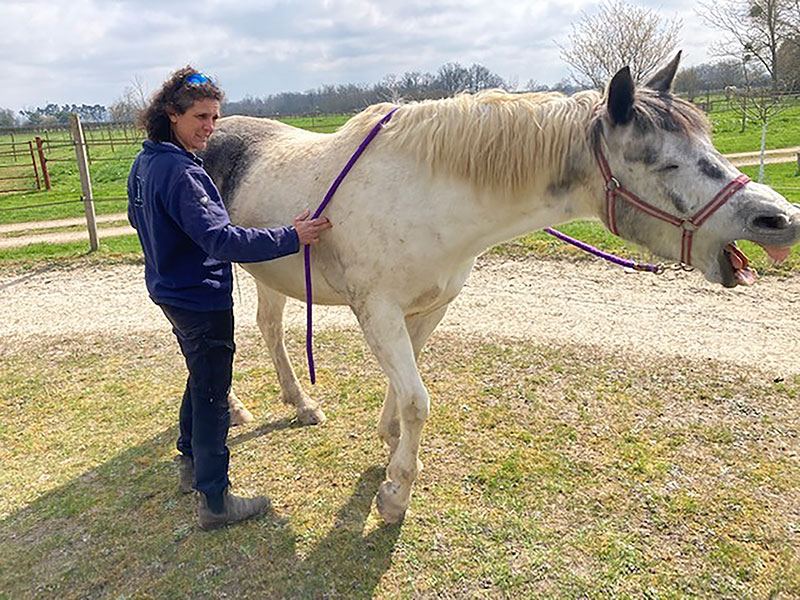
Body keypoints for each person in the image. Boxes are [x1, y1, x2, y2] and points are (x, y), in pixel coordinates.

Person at [127, 66, 332, 530]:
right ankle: (216, 501)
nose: (210, 128)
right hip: (200, 297)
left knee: (200, 375)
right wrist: (291, 236)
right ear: (172, 115)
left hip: (168, 289)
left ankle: (188, 462)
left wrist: (168, 252)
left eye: (215, 117)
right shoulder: (182, 173)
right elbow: (222, 241)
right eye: (200, 116)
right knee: (213, 391)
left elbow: (134, 217)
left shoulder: (146, 163)